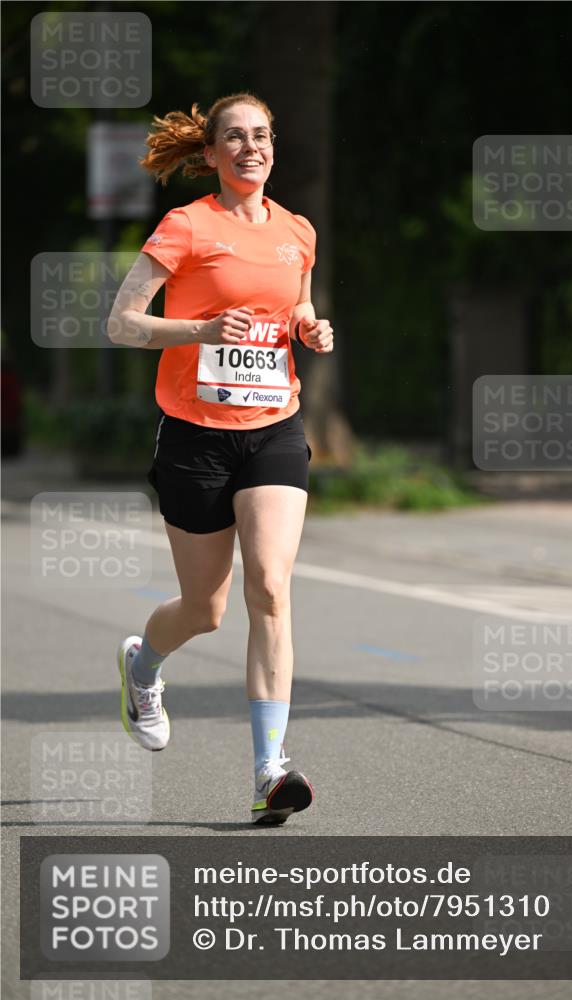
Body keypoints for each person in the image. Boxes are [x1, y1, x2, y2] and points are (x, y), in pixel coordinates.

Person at [107, 92, 334, 825]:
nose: (250, 147)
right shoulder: (186, 226)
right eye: (233, 137)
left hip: (274, 426)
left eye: (261, 135)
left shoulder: (297, 231)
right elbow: (121, 324)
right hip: (195, 434)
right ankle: (144, 665)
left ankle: (270, 769)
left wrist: (308, 328)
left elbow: (294, 307)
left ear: (273, 146)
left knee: (269, 586)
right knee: (205, 609)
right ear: (209, 154)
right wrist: (199, 330)